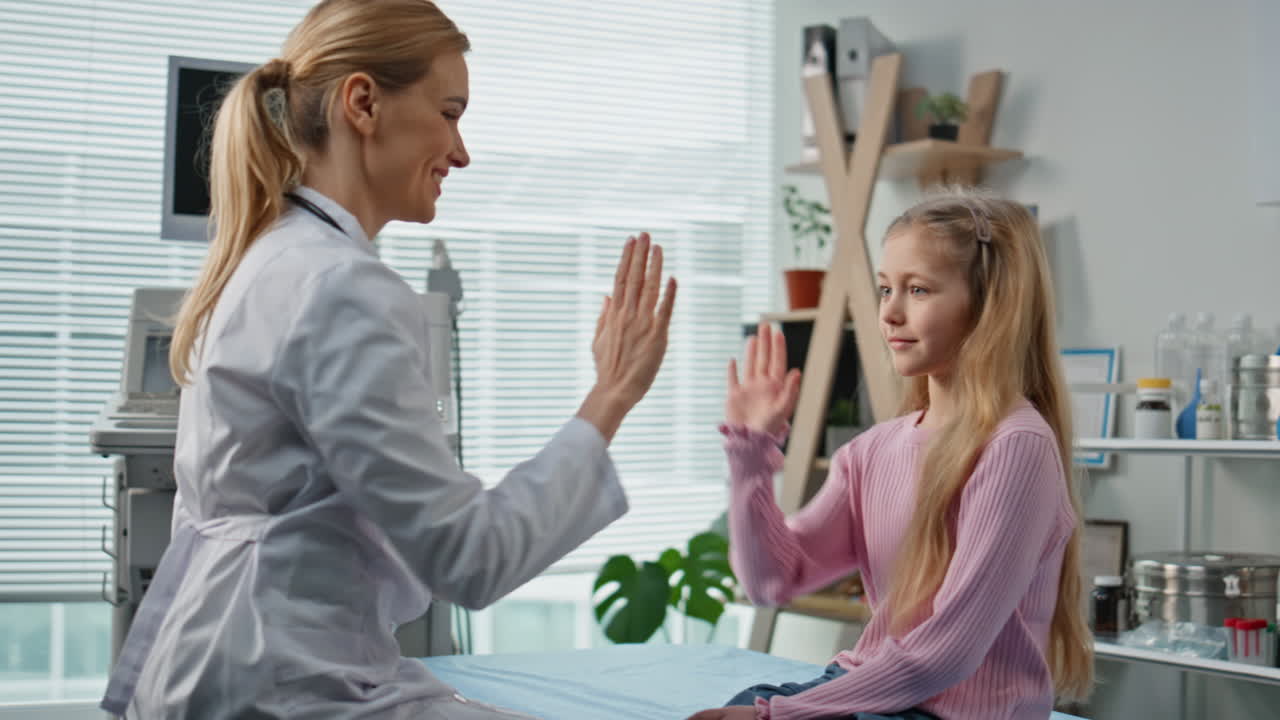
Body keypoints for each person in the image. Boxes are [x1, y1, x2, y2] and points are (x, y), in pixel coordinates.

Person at [99, 1, 676, 717]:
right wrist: (612, 395)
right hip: (279, 683)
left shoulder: (265, 260)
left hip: (224, 667)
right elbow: (469, 557)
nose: (461, 152)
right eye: (449, 112)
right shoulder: (341, 287)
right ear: (364, 103)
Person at [688, 189, 1092, 720]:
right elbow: (770, 582)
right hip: (878, 693)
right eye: (885, 289)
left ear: (989, 306)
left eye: (918, 289)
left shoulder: (1017, 447)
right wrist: (750, 453)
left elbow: (947, 653)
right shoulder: (873, 451)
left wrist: (778, 717)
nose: (890, 313)